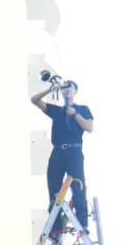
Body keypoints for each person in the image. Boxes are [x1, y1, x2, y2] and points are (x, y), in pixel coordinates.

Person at [30, 77, 94, 229]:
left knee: (78, 185)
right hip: (58, 151)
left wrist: (75, 114)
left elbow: (89, 127)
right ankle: (56, 226)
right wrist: (50, 89)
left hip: (74, 150)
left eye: (69, 87)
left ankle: (82, 223)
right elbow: (34, 100)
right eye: (63, 87)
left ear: (75, 91)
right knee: (53, 187)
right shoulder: (57, 110)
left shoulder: (83, 109)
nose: (66, 89)